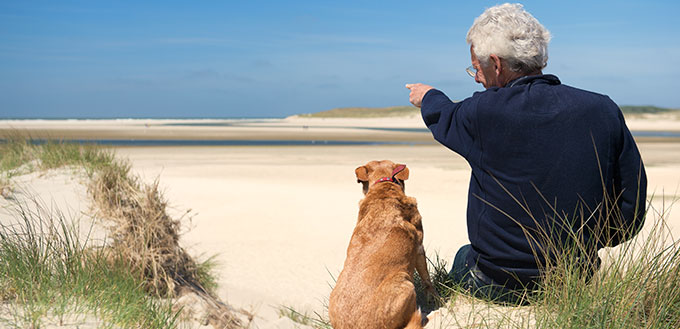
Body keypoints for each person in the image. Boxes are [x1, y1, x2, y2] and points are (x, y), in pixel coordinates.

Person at [406, 3, 647, 305]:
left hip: (496, 282)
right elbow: (631, 203)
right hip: (576, 277)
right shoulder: (603, 109)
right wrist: (592, 244)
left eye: (476, 69)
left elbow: (445, 115)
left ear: (496, 63)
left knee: (463, 255)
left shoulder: (482, 112)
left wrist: (427, 95)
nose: (477, 79)